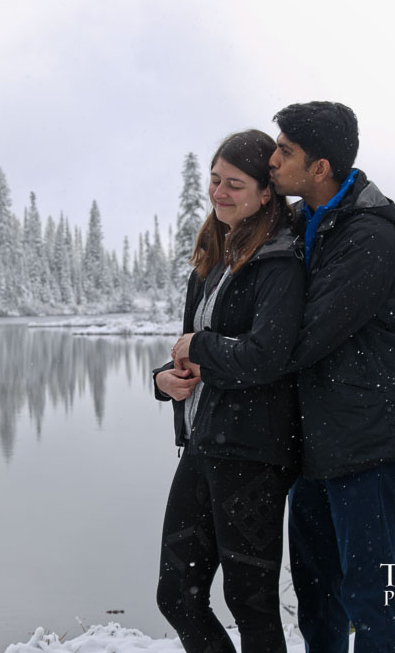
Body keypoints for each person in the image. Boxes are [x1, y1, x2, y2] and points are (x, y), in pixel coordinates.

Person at [267, 102, 395, 653]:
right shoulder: (305, 222)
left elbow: (304, 335)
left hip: (368, 442)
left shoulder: (370, 238)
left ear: (320, 168)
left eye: (285, 150)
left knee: (369, 597)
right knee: (315, 594)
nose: (272, 158)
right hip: (316, 444)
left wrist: (218, 352)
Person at [152, 129, 305, 653]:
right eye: (214, 180)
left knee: (252, 602)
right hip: (202, 445)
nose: (219, 192)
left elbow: (267, 357)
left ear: (266, 193)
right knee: (176, 596)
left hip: (252, 454)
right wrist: (164, 378)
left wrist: (201, 347)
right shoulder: (214, 256)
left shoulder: (280, 261)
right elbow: (197, 352)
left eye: (234, 184)